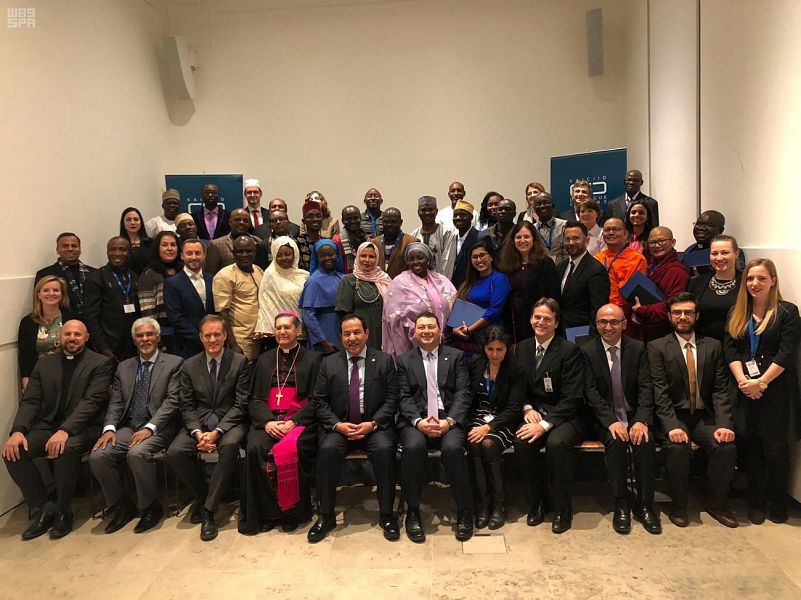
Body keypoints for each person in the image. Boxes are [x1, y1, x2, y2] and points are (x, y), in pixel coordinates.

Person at [3, 320, 114, 540]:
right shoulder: (44, 363)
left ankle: (64, 511)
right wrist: (18, 430)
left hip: (85, 427)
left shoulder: (101, 363)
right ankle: (45, 508)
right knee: (14, 452)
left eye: (77, 334)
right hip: (47, 426)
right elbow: (31, 400)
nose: (72, 338)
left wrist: (66, 430)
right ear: (60, 337)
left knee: (65, 448)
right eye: (67, 334)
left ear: (86, 338)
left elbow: (91, 403)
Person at [307, 315, 401, 543]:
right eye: (347, 333)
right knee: (327, 451)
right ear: (340, 337)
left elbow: (392, 398)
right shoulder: (329, 363)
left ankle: (387, 515)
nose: (352, 338)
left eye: (357, 332)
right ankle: (326, 515)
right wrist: (337, 425)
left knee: (384, 450)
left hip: (374, 427)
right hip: (340, 427)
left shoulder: (384, 361)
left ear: (367, 333)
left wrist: (373, 424)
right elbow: (319, 401)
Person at [649, 292, 738, 528]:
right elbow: (659, 392)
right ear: (669, 316)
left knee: (725, 447)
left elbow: (720, 389)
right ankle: (679, 505)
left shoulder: (713, 346)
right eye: (677, 312)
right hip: (674, 415)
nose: (682, 317)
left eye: (688, 312)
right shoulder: (657, 347)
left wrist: (724, 424)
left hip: (703, 416)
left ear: (696, 316)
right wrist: (671, 426)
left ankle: (717, 504)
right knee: (677, 447)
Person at [724, 259, 801, 525]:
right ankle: (756, 502)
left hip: (776, 389)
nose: (754, 283)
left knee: (776, 449)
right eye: (749, 278)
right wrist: (744, 382)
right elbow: (730, 350)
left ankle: (777, 501)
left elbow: (787, 352)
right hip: (745, 388)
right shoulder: (737, 312)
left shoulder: (787, 312)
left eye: (761, 278)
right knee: (751, 447)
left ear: (773, 281)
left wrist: (762, 383)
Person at [90, 317, 183, 534]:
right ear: (134, 340)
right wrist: (109, 429)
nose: (145, 339)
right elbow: (116, 403)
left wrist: (150, 428)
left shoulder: (174, 363)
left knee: (137, 453)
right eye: (140, 336)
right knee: (99, 455)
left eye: (149, 334)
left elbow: (172, 402)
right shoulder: (124, 367)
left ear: (158, 337)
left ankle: (150, 506)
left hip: (161, 427)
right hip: (130, 426)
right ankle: (122, 505)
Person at [166, 314, 249, 541]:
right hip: (199, 424)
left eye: (217, 335)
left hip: (230, 423)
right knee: (175, 452)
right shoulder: (189, 365)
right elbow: (186, 405)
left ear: (225, 336)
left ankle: (208, 512)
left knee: (230, 446)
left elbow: (241, 404)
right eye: (208, 335)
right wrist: (198, 433)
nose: (213, 340)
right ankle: (205, 497)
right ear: (200, 337)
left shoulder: (239, 361)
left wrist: (217, 432)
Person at [581, 304, 662, 535]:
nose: (608, 327)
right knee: (616, 442)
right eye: (603, 322)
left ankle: (645, 503)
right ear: (596, 324)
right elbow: (590, 391)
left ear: (624, 324)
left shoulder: (638, 348)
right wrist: (611, 421)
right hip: (604, 418)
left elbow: (646, 387)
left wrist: (641, 420)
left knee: (644, 441)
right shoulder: (587, 351)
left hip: (634, 414)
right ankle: (621, 501)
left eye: (614, 322)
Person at [240, 312, 321, 535]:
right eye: (278, 328)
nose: (282, 332)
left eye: (287, 327)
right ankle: (269, 513)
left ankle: (291, 512)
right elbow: (254, 398)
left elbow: (317, 399)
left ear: (298, 331)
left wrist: (294, 421)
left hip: (299, 422)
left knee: (294, 448)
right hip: (268, 421)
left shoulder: (313, 359)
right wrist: (267, 422)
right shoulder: (264, 360)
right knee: (255, 448)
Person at [397, 312, 474, 542]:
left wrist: (449, 421)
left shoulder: (456, 356)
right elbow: (403, 397)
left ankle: (464, 510)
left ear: (440, 330)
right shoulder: (403, 361)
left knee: (453, 449)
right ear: (414, 332)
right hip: (417, 420)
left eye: (431, 326)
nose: (426, 331)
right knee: (413, 448)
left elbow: (463, 393)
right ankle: (413, 511)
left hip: (448, 418)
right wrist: (418, 421)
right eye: (421, 327)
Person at [514, 298, 588, 534]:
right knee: (523, 442)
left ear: (556, 323)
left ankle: (563, 508)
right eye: (537, 317)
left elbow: (573, 397)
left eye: (547, 318)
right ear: (530, 319)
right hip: (534, 413)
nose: (541, 322)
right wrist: (527, 408)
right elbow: (517, 386)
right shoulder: (522, 348)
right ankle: (538, 502)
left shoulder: (569, 350)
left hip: (566, 415)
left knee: (557, 444)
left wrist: (545, 424)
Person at [467, 326, 522, 530]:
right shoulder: (477, 363)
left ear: (507, 348)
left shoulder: (516, 368)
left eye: (500, 349)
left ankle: (499, 504)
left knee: (489, 444)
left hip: (503, 419)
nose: (495, 354)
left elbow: (514, 408)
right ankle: (483, 504)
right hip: (479, 415)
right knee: (473, 442)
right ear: (484, 348)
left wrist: (489, 427)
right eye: (490, 349)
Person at [382, 243, 457, 359]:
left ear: (428, 259)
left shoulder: (441, 280)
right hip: (412, 343)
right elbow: (392, 315)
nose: (416, 262)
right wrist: (418, 333)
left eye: (420, 258)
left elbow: (452, 299)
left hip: (444, 341)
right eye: (411, 259)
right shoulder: (400, 282)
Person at [497, 221, 560, 345]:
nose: (522, 240)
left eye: (526, 236)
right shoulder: (507, 264)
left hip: (538, 322)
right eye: (518, 237)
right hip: (512, 324)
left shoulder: (546, 263)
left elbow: (554, 296)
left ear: (534, 239)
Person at [84, 236, 140, 362]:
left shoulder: (134, 276)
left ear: (129, 252)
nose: (117, 253)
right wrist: (103, 348)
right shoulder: (96, 278)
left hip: (133, 344)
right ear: (107, 252)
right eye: (113, 249)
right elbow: (91, 317)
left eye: (122, 249)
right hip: (109, 346)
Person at [18, 275, 76, 392]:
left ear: (62, 295)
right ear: (38, 295)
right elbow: (25, 357)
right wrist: (26, 384)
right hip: (39, 378)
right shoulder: (28, 322)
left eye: (56, 290)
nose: (51, 293)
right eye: (46, 290)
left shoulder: (72, 318)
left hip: (70, 376)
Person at [631, 227, 690, 342]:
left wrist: (642, 311)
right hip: (649, 328)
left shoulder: (677, 271)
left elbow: (673, 305)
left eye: (661, 241)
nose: (657, 246)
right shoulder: (652, 266)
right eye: (652, 242)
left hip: (665, 333)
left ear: (673, 242)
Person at [451, 239, 511, 353]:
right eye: (474, 257)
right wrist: (455, 329)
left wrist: (469, 329)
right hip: (464, 339)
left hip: (486, 338)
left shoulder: (499, 279)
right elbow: (460, 308)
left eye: (482, 255)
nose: (478, 260)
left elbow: (494, 311)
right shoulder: (469, 282)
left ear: (491, 257)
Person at [212, 235, 264, 362]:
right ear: (233, 254)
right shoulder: (225, 275)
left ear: (255, 252)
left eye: (248, 251)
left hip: (259, 337)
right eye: (240, 252)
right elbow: (222, 312)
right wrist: (233, 344)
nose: (244, 255)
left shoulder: (258, 271)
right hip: (239, 339)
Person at [163, 238, 216, 359]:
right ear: (182, 256)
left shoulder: (213, 280)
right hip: (186, 347)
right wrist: (201, 338)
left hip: (213, 344)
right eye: (189, 253)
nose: (193, 257)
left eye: (197, 253)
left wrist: (211, 337)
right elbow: (175, 317)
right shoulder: (172, 283)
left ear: (204, 255)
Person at [594, 217, 647, 334]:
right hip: (600, 312)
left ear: (625, 233)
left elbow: (634, 292)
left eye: (616, 229)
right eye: (607, 230)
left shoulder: (637, 259)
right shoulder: (596, 259)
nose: (611, 233)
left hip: (624, 315)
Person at [255, 236, 308, 350]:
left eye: (287, 254)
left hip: (300, 331)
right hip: (276, 335)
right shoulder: (270, 276)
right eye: (279, 255)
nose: (284, 258)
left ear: (295, 254)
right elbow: (265, 307)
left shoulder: (304, 276)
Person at [556, 222, 610, 334]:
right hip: (559, 331)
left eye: (576, 238)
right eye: (567, 239)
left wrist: (591, 338)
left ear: (587, 240)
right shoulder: (561, 266)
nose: (571, 243)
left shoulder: (596, 270)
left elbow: (598, 309)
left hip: (582, 332)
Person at [335, 242, 391, 349]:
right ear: (357, 257)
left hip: (383, 334)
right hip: (357, 337)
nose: (367, 260)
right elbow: (343, 315)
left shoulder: (384, 279)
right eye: (363, 256)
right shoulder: (349, 280)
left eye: (372, 257)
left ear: (377, 259)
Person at [688, 234, 741, 341]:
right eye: (714, 253)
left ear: (736, 253)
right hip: (704, 345)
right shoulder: (696, 283)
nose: (719, 258)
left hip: (737, 345)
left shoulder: (747, 283)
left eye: (725, 252)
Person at [137, 230, 183, 352]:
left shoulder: (183, 270)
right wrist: (158, 341)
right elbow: (147, 312)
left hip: (185, 333)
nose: (169, 248)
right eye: (164, 245)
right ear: (157, 248)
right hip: (164, 336)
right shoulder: (149, 274)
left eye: (173, 245)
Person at [35, 232, 95, 318]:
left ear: (80, 249)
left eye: (74, 246)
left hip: (92, 322)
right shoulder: (45, 274)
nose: (70, 249)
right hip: (61, 322)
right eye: (65, 246)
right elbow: (39, 305)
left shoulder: (94, 273)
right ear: (57, 250)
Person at [300, 239, 345, 355]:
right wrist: (322, 340)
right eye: (322, 256)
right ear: (317, 258)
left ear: (337, 255)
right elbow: (308, 314)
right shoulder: (313, 281)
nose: (327, 258)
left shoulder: (343, 278)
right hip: (324, 333)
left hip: (343, 331)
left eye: (331, 254)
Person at [681, 210, 746, 275]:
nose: (701, 228)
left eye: (708, 225)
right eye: (698, 224)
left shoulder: (731, 252)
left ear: (720, 230)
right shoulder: (689, 252)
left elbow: (738, 277)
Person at [205, 208, 261, 275]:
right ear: (230, 222)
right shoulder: (216, 245)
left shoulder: (257, 242)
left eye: (245, 220)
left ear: (249, 224)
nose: (241, 222)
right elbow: (210, 274)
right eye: (237, 220)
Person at [410, 195, 454, 277]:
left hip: (441, 281)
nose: (427, 213)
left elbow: (448, 261)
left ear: (436, 211)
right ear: (418, 212)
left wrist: (441, 282)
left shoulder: (446, 232)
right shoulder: (414, 235)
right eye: (423, 210)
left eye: (430, 209)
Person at [370, 207, 419, 279]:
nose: (389, 224)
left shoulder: (412, 242)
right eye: (386, 221)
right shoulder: (375, 242)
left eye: (393, 221)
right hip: (378, 283)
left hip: (403, 284)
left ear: (401, 222)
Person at [449, 199, 483, 290]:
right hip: (453, 289)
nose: (458, 218)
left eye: (462, 215)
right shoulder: (452, 239)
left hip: (473, 288)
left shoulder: (480, 237)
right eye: (455, 215)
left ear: (471, 217)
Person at [333, 205, 368, 273]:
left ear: (360, 218)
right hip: (346, 276)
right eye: (348, 219)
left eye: (355, 218)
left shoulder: (366, 238)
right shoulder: (337, 241)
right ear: (343, 221)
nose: (352, 221)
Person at [533, 192, 567, 262]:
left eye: (545, 203)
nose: (542, 206)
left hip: (561, 267)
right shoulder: (531, 229)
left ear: (553, 205)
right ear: (534, 208)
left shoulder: (565, 226)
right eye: (538, 204)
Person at [119, 206, 153, 276]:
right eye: (128, 220)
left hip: (148, 280)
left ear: (141, 222)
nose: (132, 222)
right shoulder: (118, 244)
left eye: (136, 219)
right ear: (123, 223)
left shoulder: (150, 242)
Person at [296, 201, 327, 271]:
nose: (315, 219)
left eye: (318, 216)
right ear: (303, 221)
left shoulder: (327, 242)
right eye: (310, 216)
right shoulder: (297, 243)